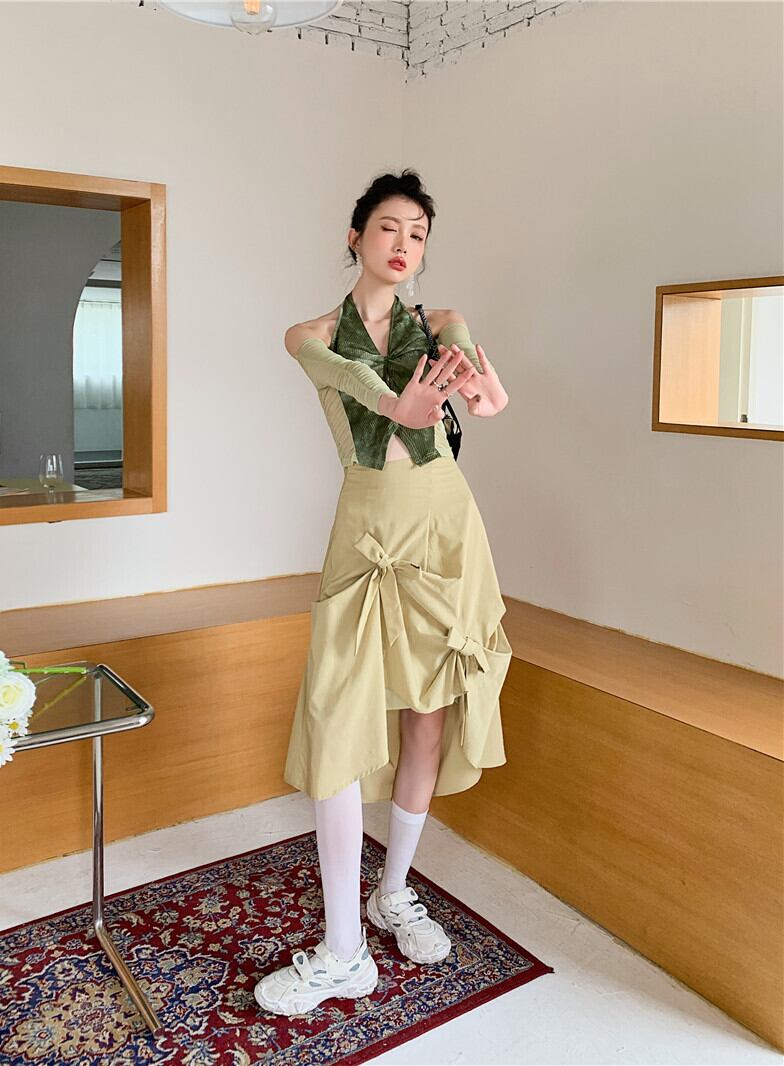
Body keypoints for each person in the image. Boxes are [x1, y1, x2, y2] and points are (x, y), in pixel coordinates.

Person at [253, 169, 512, 1017]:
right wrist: (398, 402)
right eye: (391, 228)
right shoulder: (307, 334)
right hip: (366, 530)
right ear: (356, 235)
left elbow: (474, 384)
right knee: (335, 719)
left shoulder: (440, 323)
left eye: (419, 234)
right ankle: (343, 952)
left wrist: (483, 389)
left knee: (427, 714)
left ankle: (392, 893)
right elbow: (352, 381)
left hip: (443, 528)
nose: (405, 246)